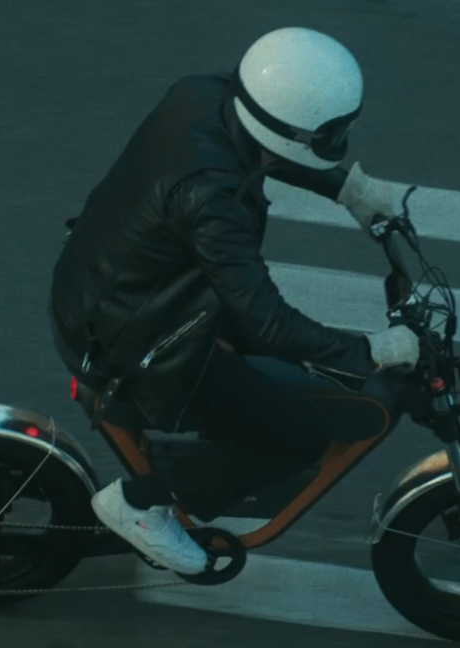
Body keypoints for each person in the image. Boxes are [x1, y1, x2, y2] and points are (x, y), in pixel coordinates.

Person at [48, 27, 420, 574]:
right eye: (330, 133)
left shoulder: (204, 92)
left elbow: (267, 142)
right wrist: (369, 351)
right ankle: (141, 506)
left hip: (107, 288)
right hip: (132, 335)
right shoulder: (213, 201)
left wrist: (349, 190)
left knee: (281, 370)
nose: (337, 139)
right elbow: (267, 321)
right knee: (297, 434)